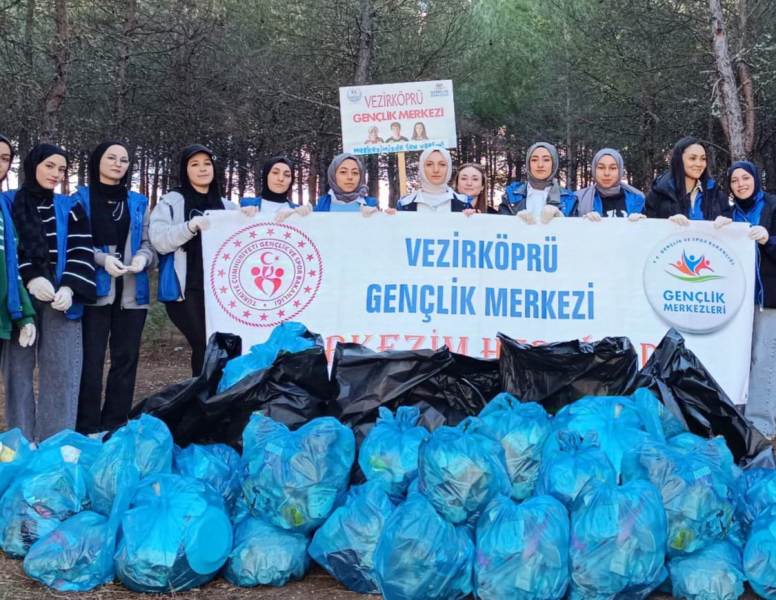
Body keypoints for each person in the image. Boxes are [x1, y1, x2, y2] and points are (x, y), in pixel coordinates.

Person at [3, 144, 96, 442]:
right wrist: (30, 277)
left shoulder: (70, 206)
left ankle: (54, 444)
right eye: (50, 166)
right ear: (33, 166)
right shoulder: (9, 202)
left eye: (61, 169)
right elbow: (10, 246)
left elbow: (81, 248)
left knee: (62, 371)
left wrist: (69, 286)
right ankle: (21, 440)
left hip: (61, 302)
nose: (56, 174)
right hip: (22, 301)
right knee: (18, 372)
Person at [73, 141, 155, 434]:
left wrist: (143, 259)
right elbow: (76, 243)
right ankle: (86, 426)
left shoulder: (138, 201)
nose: (118, 163)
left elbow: (149, 243)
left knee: (126, 360)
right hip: (94, 292)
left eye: (123, 159)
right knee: (91, 363)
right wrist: (101, 258)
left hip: (133, 293)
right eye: (111, 158)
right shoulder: (80, 198)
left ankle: (115, 424)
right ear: (97, 161)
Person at [149, 144, 237, 376]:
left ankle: (220, 399)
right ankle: (201, 400)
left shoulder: (228, 206)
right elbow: (159, 240)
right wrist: (189, 227)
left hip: (221, 290)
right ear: (184, 170)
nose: (202, 169)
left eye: (207, 164)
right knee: (203, 342)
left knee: (223, 346)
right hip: (185, 289)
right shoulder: (171, 202)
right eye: (194, 164)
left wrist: (246, 218)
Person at [715, 160, 776, 437]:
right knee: (737, 357)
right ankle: (737, 418)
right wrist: (718, 231)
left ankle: (761, 426)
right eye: (734, 180)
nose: (740, 184)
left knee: (764, 359)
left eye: (745, 178)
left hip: (767, 298)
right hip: (736, 303)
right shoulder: (729, 214)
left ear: (756, 179)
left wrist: (768, 240)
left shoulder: (772, 206)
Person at [645, 136, 730, 224]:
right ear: (679, 160)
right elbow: (648, 229)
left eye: (703, 159)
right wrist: (667, 223)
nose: (699, 164)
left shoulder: (716, 195)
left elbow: (731, 231)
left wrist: (726, 224)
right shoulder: (659, 194)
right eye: (692, 158)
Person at [499, 142, 575, 222]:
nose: (540, 165)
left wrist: (562, 221)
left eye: (546, 160)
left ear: (554, 163)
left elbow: (575, 231)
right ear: (528, 164)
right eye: (534, 160)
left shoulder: (569, 199)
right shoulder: (511, 196)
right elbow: (499, 228)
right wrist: (514, 222)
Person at [573, 148, 645, 221]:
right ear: (594, 169)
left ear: (620, 170)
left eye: (613, 168)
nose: (606, 173)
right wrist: (584, 222)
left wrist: (642, 223)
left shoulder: (637, 199)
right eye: (601, 168)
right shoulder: (577, 199)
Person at [397, 147, 473, 213]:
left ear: (449, 168)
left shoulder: (464, 203)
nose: (436, 170)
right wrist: (390, 218)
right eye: (429, 164)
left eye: (442, 164)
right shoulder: (405, 204)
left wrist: (471, 219)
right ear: (422, 168)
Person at [314, 153, 379, 214]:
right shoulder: (322, 204)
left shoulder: (371, 204)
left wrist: (386, 217)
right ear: (333, 175)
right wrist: (305, 217)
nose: (350, 177)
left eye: (355, 173)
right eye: (343, 172)